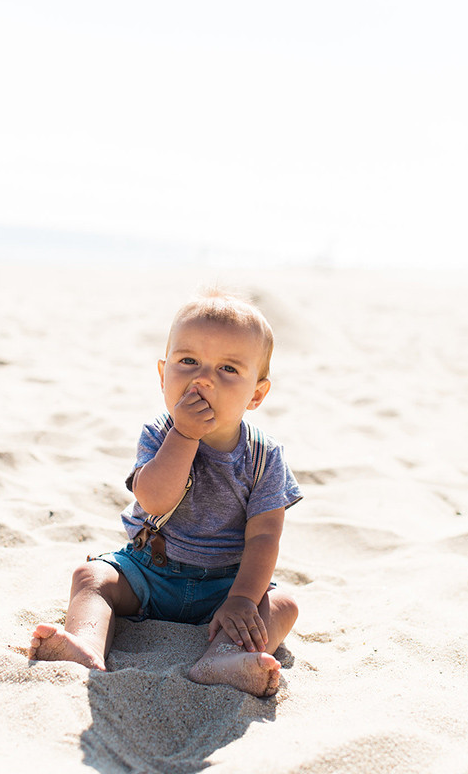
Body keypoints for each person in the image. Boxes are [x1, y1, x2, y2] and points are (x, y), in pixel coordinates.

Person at [29, 291, 302, 697]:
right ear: (162, 375)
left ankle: (224, 657)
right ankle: (85, 643)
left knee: (282, 606)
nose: (203, 379)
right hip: (150, 571)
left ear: (257, 394)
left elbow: (264, 536)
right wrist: (185, 435)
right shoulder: (159, 433)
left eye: (228, 368)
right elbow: (154, 500)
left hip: (225, 587)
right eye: (188, 361)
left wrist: (243, 598)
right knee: (91, 576)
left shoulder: (264, 456)